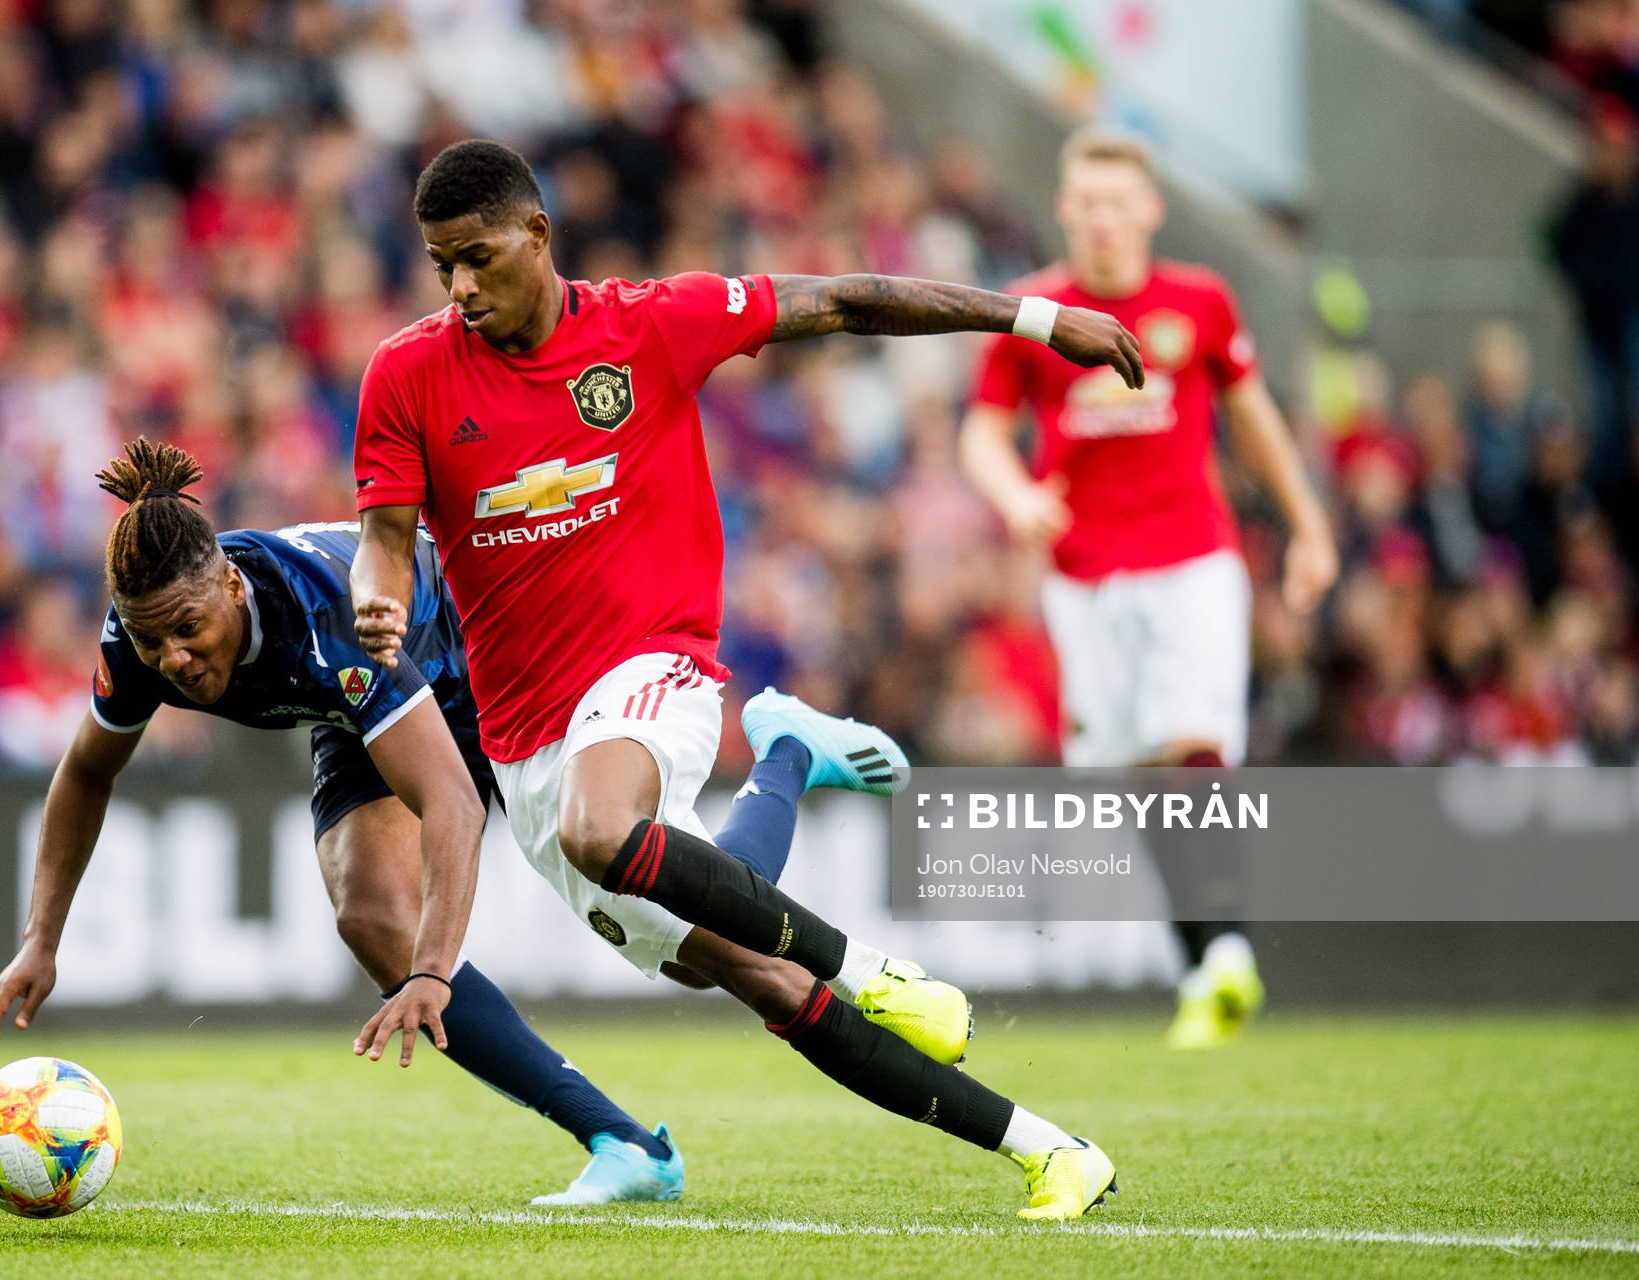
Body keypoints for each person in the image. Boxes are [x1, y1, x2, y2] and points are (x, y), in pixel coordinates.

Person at [350, 138, 1144, 1220]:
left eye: (479, 257)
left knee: (604, 829)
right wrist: (379, 594)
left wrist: (1036, 319)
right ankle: (1052, 1148)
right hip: (521, 732)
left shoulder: (653, 323)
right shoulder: (407, 371)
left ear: (538, 233)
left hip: (653, 659)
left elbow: (851, 300)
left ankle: (869, 966)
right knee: (745, 971)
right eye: (442, 264)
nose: (461, 286)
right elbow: (386, 535)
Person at [0, 438, 688, 1206]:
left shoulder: (331, 620)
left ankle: (783, 760)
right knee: (374, 920)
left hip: (488, 659)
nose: (171, 658)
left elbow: (453, 803)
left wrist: (434, 973)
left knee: (679, 943)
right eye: (151, 640)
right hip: (361, 699)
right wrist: (41, 941)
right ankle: (624, 1143)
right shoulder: (141, 637)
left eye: (187, 629)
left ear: (233, 587)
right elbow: (84, 771)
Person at [958, 128, 1339, 1049]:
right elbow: (980, 432)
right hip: (1083, 579)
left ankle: (1232, 950)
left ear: (1149, 210)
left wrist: (1310, 527)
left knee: (1194, 743)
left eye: (1117, 202)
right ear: (1064, 208)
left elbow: (1252, 419)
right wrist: (1015, 497)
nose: (1100, 219)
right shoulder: (1035, 310)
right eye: (1084, 202)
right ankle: (1205, 966)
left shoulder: (1199, 302)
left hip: (1191, 562)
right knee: (1135, 780)